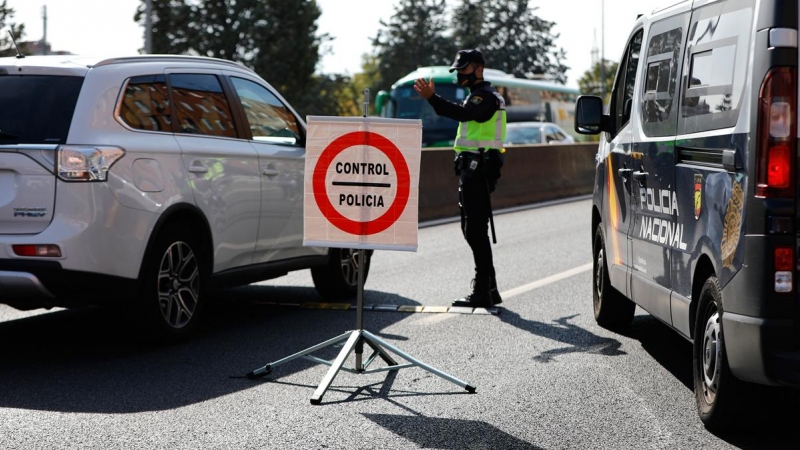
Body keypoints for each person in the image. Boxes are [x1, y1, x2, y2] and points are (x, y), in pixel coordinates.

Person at [413, 49, 506, 308]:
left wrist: (433, 98)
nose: (459, 75)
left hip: (479, 167)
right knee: (473, 229)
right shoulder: (479, 95)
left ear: (478, 68)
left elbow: (462, 114)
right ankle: (490, 287)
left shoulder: (484, 97)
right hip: (474, 166)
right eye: (457, 70)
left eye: (463, 69)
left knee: (475, 230)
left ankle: (483, 290)